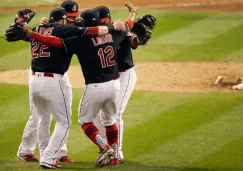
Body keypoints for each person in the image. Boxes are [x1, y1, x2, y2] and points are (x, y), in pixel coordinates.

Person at [19, 2, 136, 167]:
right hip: (114, 86)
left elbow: (53, 42)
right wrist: (133, 14)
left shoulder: (81, 42)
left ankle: (105, 147)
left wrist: (32, 33)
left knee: (84, 121)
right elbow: (127, 25)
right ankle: (116, 155)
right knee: (110, 120)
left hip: (94, 88)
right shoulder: (113, 36)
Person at [17, 0, 81, 163]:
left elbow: (26, 35)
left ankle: (57, 152)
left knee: (58, 114)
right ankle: (30, 150)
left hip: (55, 73)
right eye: (70, 17)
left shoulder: (52, 27)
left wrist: (38, 28)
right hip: (44, 73)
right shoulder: (64, 29)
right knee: (41, 117)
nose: (73, 19)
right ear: (63, 17)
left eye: (75, 16)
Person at [93, 6, 139, 164]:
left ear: (109, 18)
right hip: (110, 78)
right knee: (98, 116)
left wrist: (134, 39)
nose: (102, 23)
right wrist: (133, 13)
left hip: (125, 75)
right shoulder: (95, 30)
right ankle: (108, 148)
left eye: (103, 20)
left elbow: (130, 33)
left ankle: (117, 154)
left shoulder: (120, 29)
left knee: (116, 113)